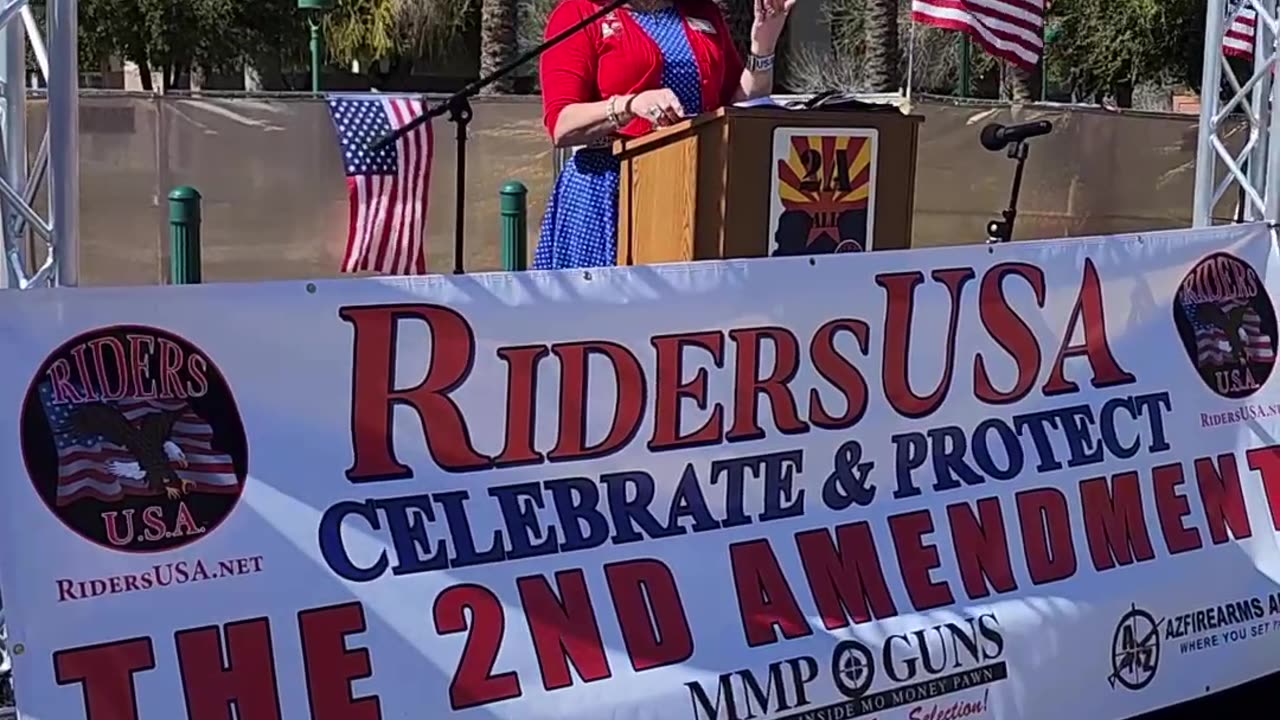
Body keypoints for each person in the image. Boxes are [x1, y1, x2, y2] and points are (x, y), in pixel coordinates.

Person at [534, 0, 796, 270]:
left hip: (695, 187)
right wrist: (629, 105)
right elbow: (562, 125)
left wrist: (763, 44)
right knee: (603, 308)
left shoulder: (702, 11)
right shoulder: (578, 13)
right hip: (610, 191)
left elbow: (738, 103)